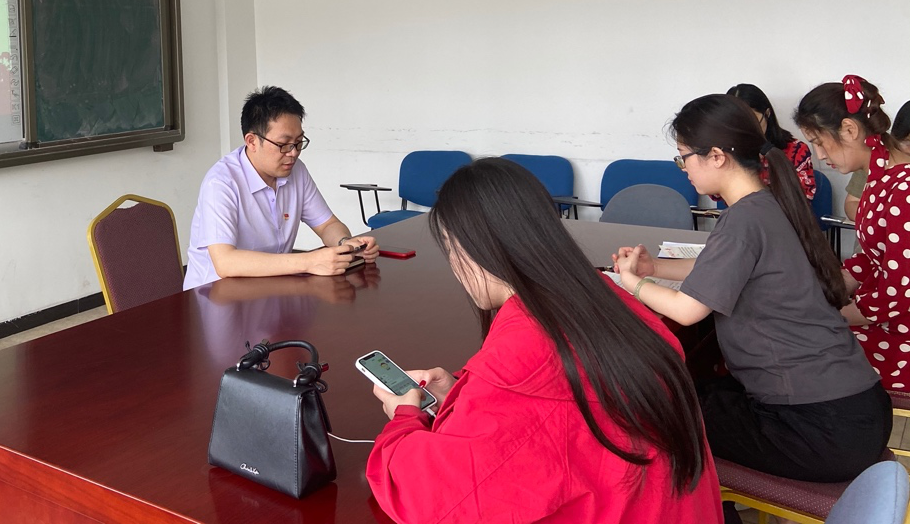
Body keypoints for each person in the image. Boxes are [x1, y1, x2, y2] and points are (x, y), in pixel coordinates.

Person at [365, 158, 723, 524]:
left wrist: (404, 417)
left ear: (470, 248)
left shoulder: (524, 351)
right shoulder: (603, 295)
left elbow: (430, 499)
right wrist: (462, 392)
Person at [615, 94, 889, 492]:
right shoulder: (766, 204)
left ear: (716, 157)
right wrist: (654, 268)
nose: (683, 169)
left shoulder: (743, 219)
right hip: (855, 409)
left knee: (658, 412)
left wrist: (632, 283)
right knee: (691, 392)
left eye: (684, 158)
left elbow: (687, 310)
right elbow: (721, 268)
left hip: (819, 429)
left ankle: (708, 510)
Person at [182, 86, 377, 290]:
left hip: (270, 286)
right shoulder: (221, 182)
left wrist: (346, 244)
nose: (293, 153)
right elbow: (225, 262)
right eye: (284, 144)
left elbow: (327, 225)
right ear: (252, 141)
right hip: (215, 295)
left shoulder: (296, 171)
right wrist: (309, 261)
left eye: (299, 142)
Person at [795, 77, 910, 390]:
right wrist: (825, 288)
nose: (819, 155)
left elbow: (898, 292)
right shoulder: (879, 174)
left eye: (819, 142)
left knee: (804, 353)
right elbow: (874, 259)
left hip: (900, 335)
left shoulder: (903, 189)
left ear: (849, 129)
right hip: (885, 314)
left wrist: (832, 315)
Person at [727, 83, 816, 201]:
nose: (746, 131)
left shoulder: (796, 150)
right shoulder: (727, 152)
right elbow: (715, 193)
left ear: (767, 114)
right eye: (736, 124)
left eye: (752, 122)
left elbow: (803, 199)